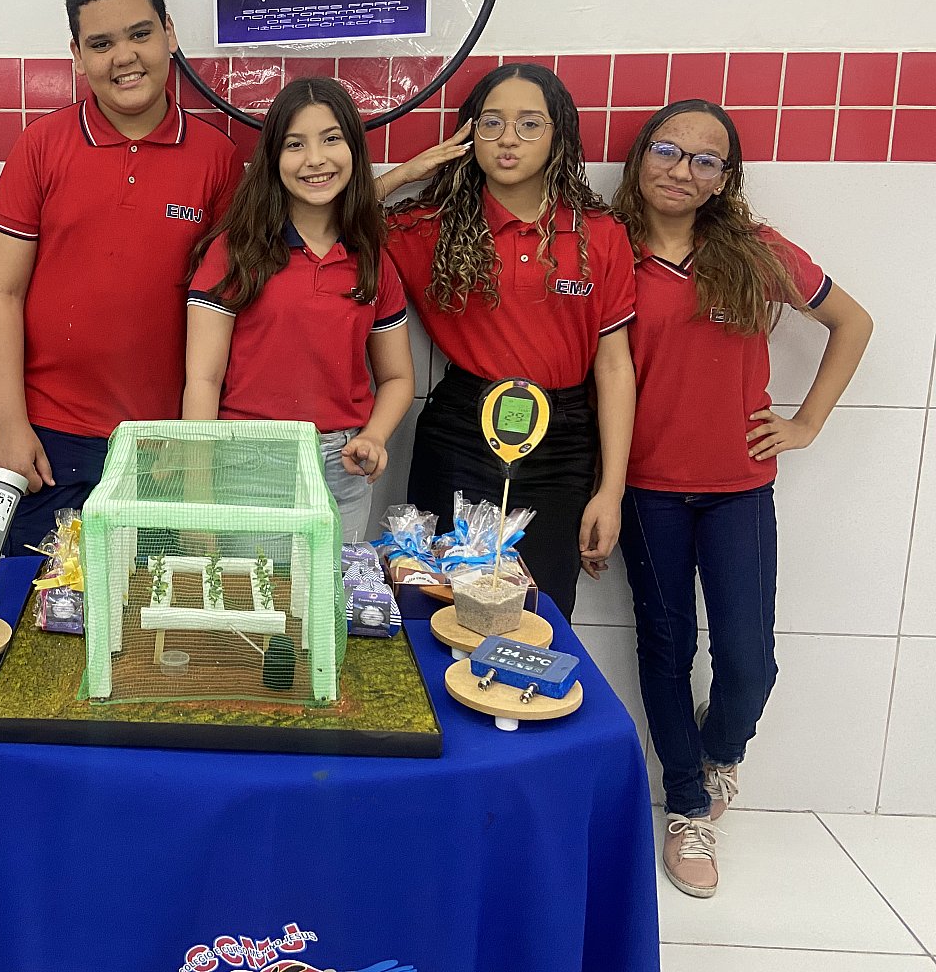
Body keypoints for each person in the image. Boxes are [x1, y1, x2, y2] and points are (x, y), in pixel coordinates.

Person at [611, 101, 871, 898]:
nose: (682, 170)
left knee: (750, 661)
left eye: (706, 160)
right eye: (667, 150)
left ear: (725, 179)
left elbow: (853, 322)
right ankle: (686, 807)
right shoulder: (606, 248)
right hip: (646, 489)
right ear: (640, 156)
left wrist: (806, 423)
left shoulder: (755, 251)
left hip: (739, 490)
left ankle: (719, 754)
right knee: (666, 650)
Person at [0, 0, 239, 552]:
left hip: (166, 447)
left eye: (140, 34)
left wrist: (196, 440)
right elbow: (0, 292)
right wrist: (10, 425)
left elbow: (228, 308)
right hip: (47, 442)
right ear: (77, 55)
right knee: (39, 605)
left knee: (151, 609)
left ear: (169, 33)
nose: (124, 57)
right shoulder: (41, 146)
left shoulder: (217, 158)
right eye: (101, 44)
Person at [383, 63, 636, 617]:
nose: (508, 139)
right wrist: (407, 173)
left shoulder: (599, 233)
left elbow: (615, 367)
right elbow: (325, 223)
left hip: (561, 445)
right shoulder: (428, 227)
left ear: (558, 135)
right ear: (469, 134)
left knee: (540, 614)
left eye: (529, 124)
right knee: (436, 605)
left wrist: (610, 490)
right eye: (491, 123)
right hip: (460, 433)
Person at [183, 77, 412, 541]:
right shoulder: (235, 252)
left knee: (331, 589)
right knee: (252, 590)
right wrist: (197, 496)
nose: (315, 159)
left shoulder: (372, 258)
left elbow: (397, 378)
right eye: (295, 144)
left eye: (331, 139)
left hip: (343, 472)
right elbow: (202, 380)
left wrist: (374, 435)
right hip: (246, 466)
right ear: (273, 158)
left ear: (354, 149)